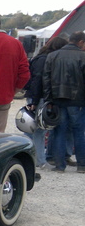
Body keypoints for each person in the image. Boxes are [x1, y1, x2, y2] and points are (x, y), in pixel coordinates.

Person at [42, 31, 85, 173]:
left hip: (57, 99)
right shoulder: (82, 57)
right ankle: (82, 165)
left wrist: (48, 99)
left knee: (59, 131)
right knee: (79, 132)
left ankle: (60, 165)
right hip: (77, 100)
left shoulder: (52, 56)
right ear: (80, 42)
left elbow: (46, 80)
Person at [24, 36, 68, 170]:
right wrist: (36, 101)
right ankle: (38, 159)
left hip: (37, 97)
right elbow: (38, 81)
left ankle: (36, 158)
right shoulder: (46, 60)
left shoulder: (42, 58)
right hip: (40, 97)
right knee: (38, 130)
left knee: (34, 129)